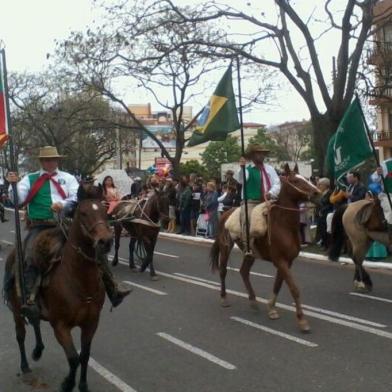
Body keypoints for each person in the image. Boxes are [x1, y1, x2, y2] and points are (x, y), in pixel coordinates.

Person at [7, 146, 130, 322]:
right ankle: (31, 299)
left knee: (94, 251)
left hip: (66, 224)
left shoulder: (68, 178)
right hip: (40, 226)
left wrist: (62, 204)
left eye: (53, 159)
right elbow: (17, 199)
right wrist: (13, 185)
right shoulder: (30, 179)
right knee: (29, 255)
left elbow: (76, 197)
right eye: (46, 160)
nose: (50, 162)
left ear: (57, 160)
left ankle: (113, 289)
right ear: (41, 162)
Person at [237, 144, 281, 257]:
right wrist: (241, 167)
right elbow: (241, 180)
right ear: (252, 156)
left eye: (262, 153)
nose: (261, 155)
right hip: (252, 201)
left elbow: (277, 183)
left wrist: (271, 193)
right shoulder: (246, 169)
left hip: (269, 199)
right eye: (258, 153)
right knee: (246, 217)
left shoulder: (270, 169)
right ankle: (247, 246)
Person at [314, 177, 333, 250]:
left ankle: (327, 245)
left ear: (325, 185)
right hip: (321, 214)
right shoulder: (322, 193)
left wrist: (322, 210)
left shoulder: (330, 193)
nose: (319, 186)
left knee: (326, 229)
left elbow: (330, 204)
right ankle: (323, 243)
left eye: (320, 185)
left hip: (327, 213)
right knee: (322, 229)